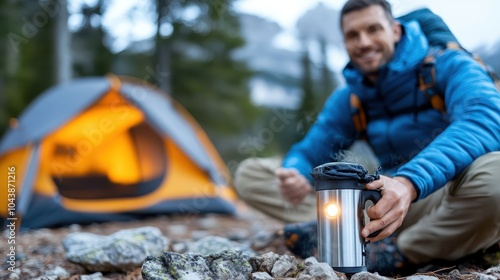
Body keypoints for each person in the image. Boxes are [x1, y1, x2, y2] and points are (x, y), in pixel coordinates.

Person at [234, 0, 500, 276]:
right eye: (352, 35)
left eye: (373, 29)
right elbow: (310, 152)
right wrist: (296, 172)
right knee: (251, 174)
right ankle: (354, 229)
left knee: (497, 177)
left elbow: (485, 119)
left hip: (447, 192)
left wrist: (408, 182)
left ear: (395, 31)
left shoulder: (449, 65)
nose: (363, 42)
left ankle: (397, 251)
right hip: (379, 200)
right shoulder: (353, 95)